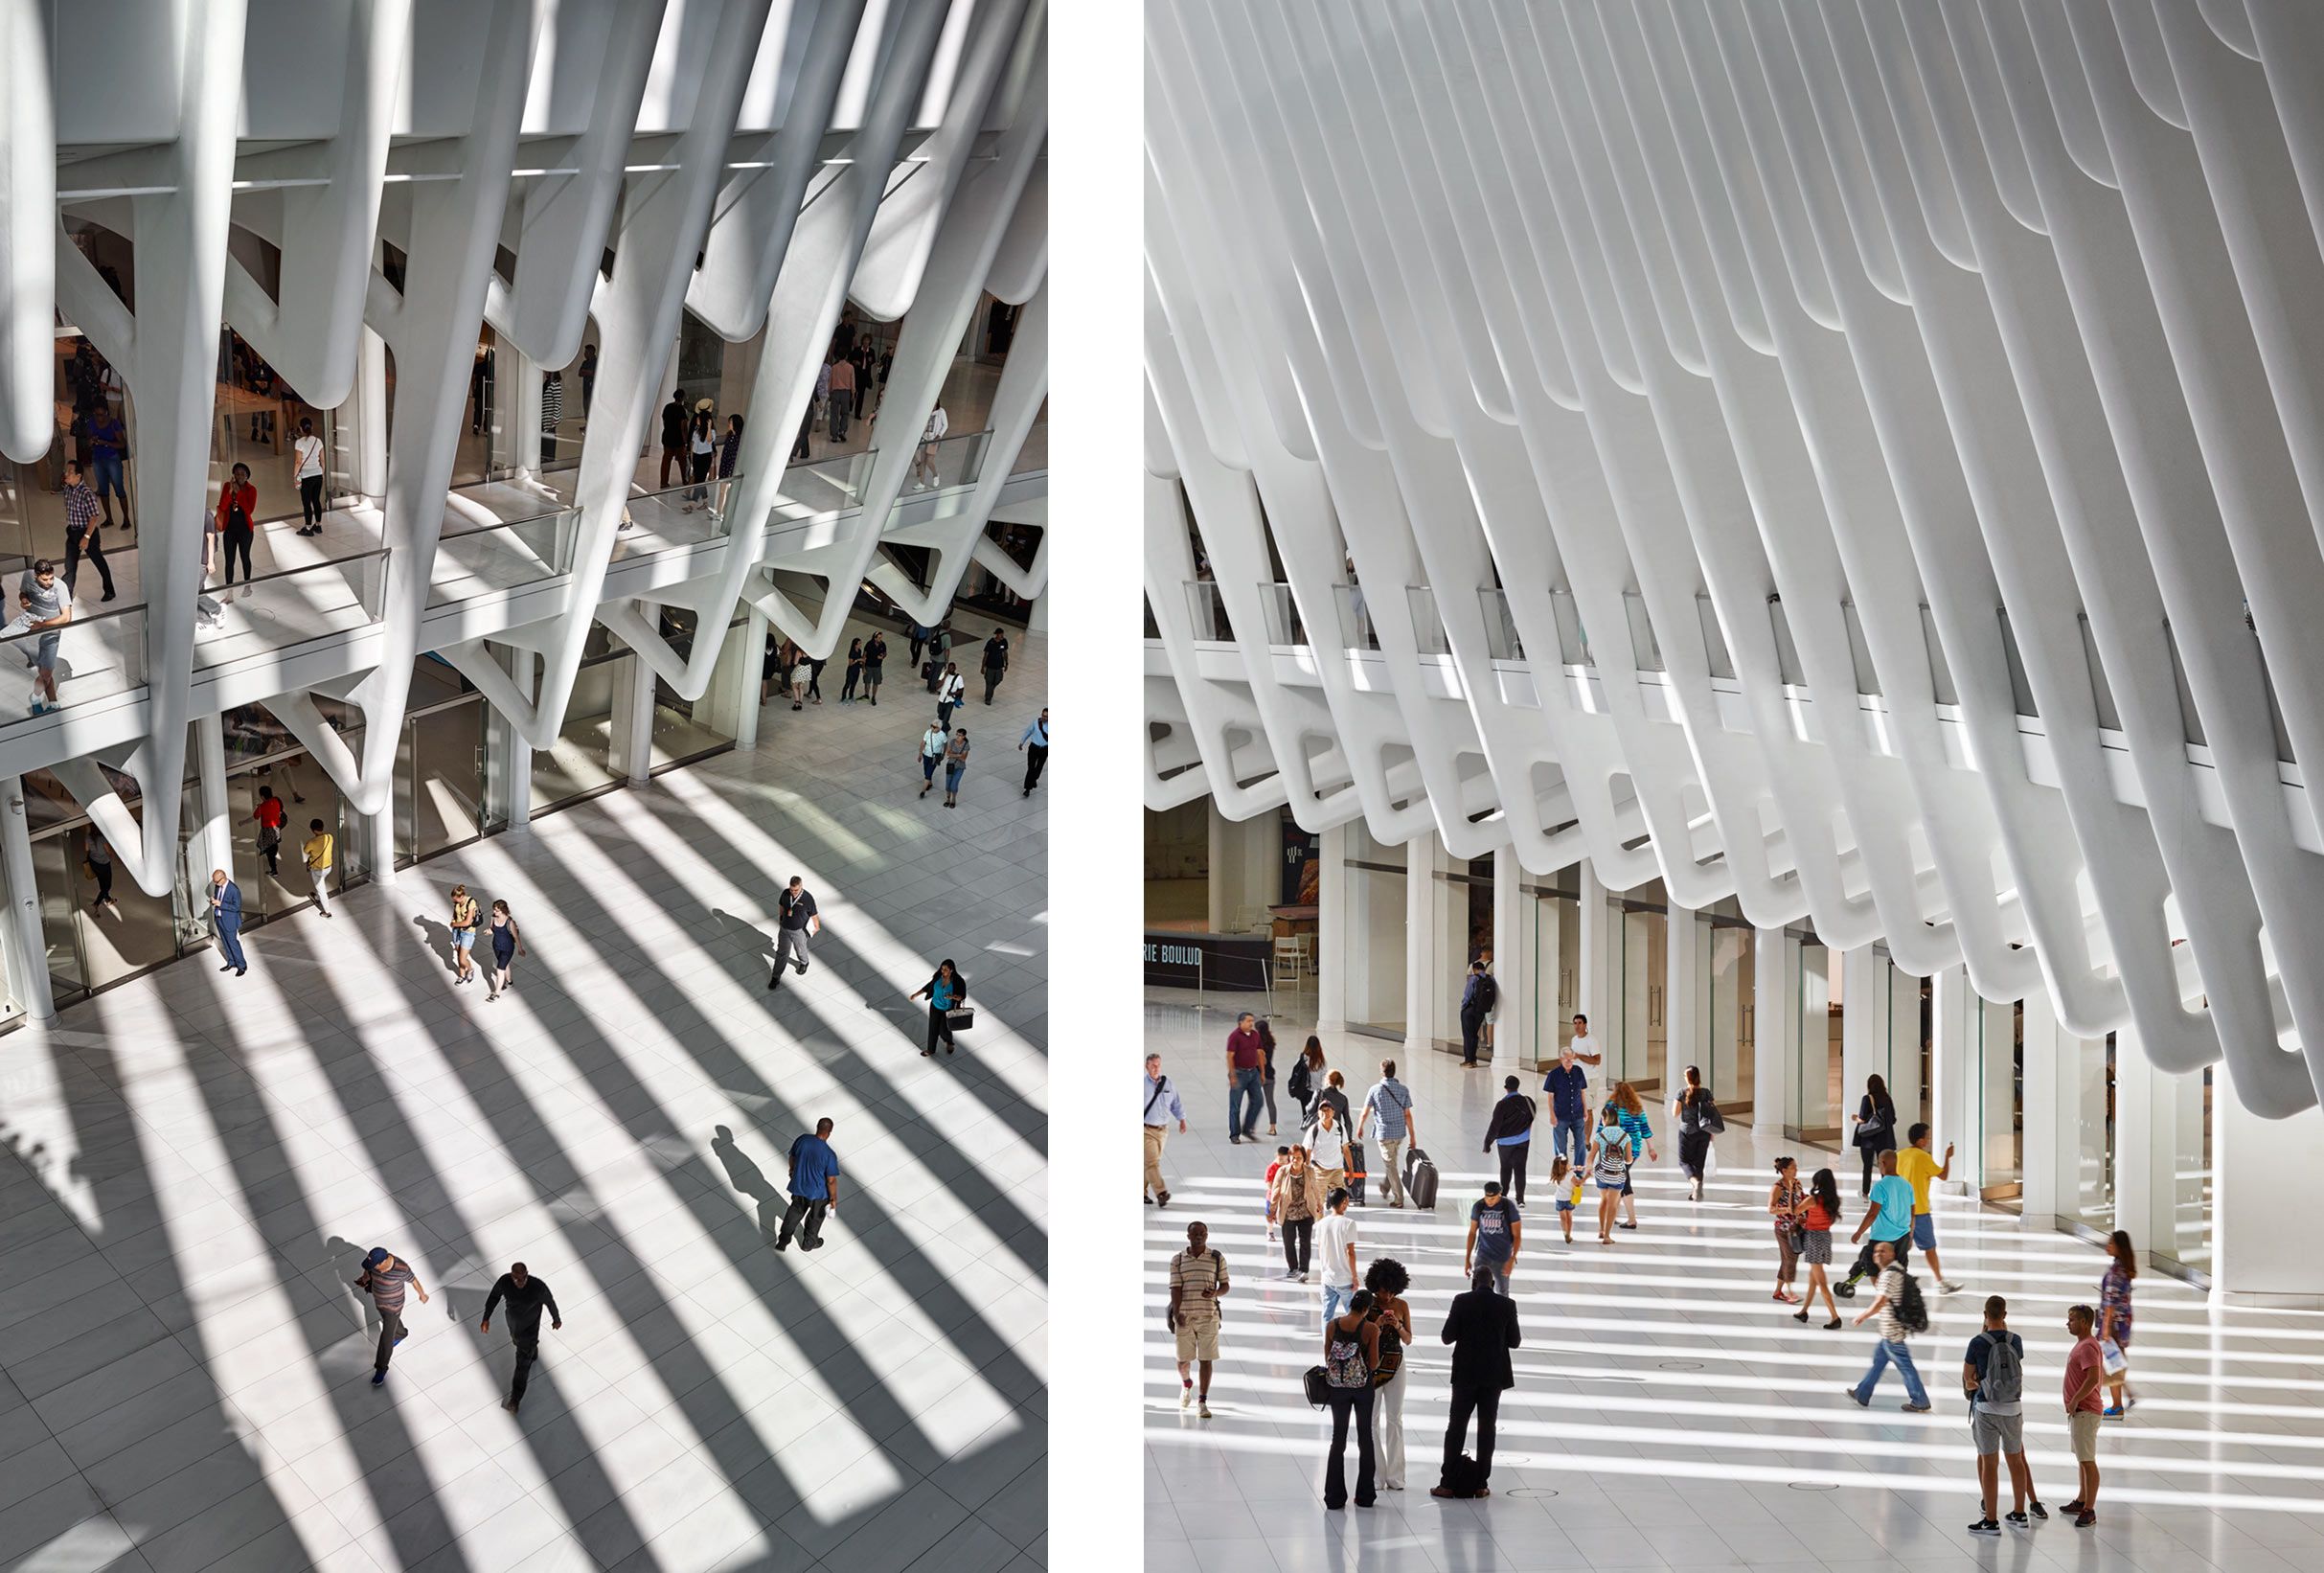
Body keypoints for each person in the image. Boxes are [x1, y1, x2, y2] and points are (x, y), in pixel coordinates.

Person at [1962, 1294, 2048, 1535]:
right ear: (2005, 1315)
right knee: (2015, 1459)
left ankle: (1991, 1519)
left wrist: (1975, 1382)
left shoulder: (1977, 1343)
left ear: (1985, 1315)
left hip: (1987, 1408)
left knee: (1990, 1462)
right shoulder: (2016, 1340)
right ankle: (2019, 1513)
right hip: (2013, 1408)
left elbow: (1968, 1380)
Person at [1433, 1266, 1521, 1498]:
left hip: (1465, 1374)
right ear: (1493, 1284)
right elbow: (1515, 1341)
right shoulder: (1507, 1305)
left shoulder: (1461, 1301)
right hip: (1494, 1375)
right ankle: (1481, 1484)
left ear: (1473, 1283)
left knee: (1456, 1427)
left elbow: (1446, 1337)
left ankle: (1448, 1483)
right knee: (1487, 1428)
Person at [1845, 1240, 1931, 1412]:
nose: (1878, 1254)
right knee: (1879, 1362)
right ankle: (1863, 1392)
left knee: (1906, 1367)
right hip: (1890, 1331)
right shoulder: (1896, 1269)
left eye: (1883, 1251)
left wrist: (1863, 1315)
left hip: (1892, 1332)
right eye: (1876, 1251)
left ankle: (1920, 1400)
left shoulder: (1889, 1274)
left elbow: (1881, 1301)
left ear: (1892, 1254)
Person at [1318, 1288, 1380, 1510]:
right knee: (1365, 1438)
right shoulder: (1371, 1329)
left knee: (1338, 1439)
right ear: (1367, 1309)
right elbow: (1373, 1364)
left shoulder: (1332, 1325)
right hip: (1363, 1389)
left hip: (1338, 1388)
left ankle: (1334, 1497)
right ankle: (1365, 1496)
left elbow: (1327, 1356)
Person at [478, 1263, 561, 1415]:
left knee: (522, 1366)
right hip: (514, 1326)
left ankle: (515, 1400)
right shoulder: (505, 1282)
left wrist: (556, 1319)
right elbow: (494, 1297)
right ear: (512, 1276)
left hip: (530, 1329)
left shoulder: (538, 1287)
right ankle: (533, 1350)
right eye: (516, 1279)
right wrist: (486, 1318)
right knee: (519, 1344)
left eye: (523, 1278)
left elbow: (550, 1302)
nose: (520, 1282)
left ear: (527, 1274)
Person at [1168, 1220, 1227, 1418]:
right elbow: (1175, 1288)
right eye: (1195, 1234)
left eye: (1202, 1233)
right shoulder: (1178, 1260)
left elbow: (1226, 1285)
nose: (1199, 1236)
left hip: (1208, 1316)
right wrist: (1177, 1313)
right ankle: (1186, 1384)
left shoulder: (1216, 1258)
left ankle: (1202, 1401)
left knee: (1206, 1359)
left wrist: (1216, 1292)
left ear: (1207, 1235)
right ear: (1188, 1237)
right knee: (1183, 1360)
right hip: (1185, 1316)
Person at [1896, 1123, 1963, 1292]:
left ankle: (1896, 1282)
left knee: (1901, 1248)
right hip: (1920, 1212)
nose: (1929, 1140)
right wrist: (1948, 1157)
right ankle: (1940, 1282)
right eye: (1928, 1137)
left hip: (1901, 1211)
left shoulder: (1900, 1155)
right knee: (1929, 1248)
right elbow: (1944, 1175)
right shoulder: (1923, 1157)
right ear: (1920, 1140)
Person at [1365, 1257, 1414, 1491]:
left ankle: (1396, 1476)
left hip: (1396, 1365)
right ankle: (1376, 1475)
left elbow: (1408, 1339)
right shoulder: (1366, 1304)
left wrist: (1397, 1325)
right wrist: (1377, 1322)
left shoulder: (1402, 1306)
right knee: (1372, 1421)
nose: (1387, 1297)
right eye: (1384, 1292)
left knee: (1395, 1419)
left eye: (1392, 1292)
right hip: (1372, 1366)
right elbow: (1360, 1334)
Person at [1839, 1150, 1916, 1295]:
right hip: (1903, 1236)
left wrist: (1859, 1232)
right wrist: (1911, 1236)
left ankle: (1887, 1298)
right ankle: (1899, 1294)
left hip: (1882, 1237)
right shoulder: (1907, 1186)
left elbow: (1872, 1214)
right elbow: (1913, 1214)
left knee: (1871, 1265)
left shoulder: (1880, 1186)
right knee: (1899, 1267)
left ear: (1883, 1164)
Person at [353, 1245, 430, 1386]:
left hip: (393, 1306)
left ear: (383, 1262)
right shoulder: (373, 1266)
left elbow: (414, 1281)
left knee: (386, 1338)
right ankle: (400, 1333)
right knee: (391, 1324)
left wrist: (422, 1295)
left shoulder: (401, 1268)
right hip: (379, 1302)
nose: (373, 1268)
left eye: (375, 1265)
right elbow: (368, 1271)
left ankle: (381, 1369)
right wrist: (364, 1280)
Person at [2061, 1304, 2106, 1527]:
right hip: (2080, 1412)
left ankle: (2090, 1508)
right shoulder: (2084, 1345)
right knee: (2082, 1458)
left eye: (2072, 1320)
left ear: (2085, 1323)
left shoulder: (2087, 1347)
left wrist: (2076, 1399)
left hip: (2086, 1411)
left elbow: (2093, 1377)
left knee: (2087, 1460)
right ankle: (2081, 1499)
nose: (2068, 1323)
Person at [14, 560, 72, 715]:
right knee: (45, 673)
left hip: (50, 636)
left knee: (45, 673)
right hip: (31, 633)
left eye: (51, 578)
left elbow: (66, 618)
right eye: (45, 580)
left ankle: (35, 698)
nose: (49, 582)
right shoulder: (28, 576)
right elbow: (23, 592)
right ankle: (53, 704)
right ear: (36, 576)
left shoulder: (60, 587)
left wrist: (42, 625)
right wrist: (23, 599)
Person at [1358, 1059, 1417, 1209]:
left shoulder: (1375, 1089)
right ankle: (1385, 1186)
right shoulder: (1403, 1090)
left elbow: (1365, 1112)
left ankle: (1399, 1199)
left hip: (1384, 1134)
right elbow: (1408, 1115)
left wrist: (1360, 1126)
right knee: (1391, 1163)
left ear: (1382, 1071)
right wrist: (1413, 1135)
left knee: (1391, 1165)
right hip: (1399, 1133)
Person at [1542, 1030, 1604, 1172]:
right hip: (1561, 1116)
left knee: (1580, 1143)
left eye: (1572, 1059)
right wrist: (1552, 1115)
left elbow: (1582, 1092)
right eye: (1567, 1060)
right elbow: (1550, 1097)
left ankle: (1579, 1167)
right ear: (1560, 1060)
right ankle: (1562, 1168)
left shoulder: (1578, 1071)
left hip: (1577, 1114)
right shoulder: (1553, 1075)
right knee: (1561, 1144)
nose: (1570, 1062)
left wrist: (1585, 1110)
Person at [1792, 1166, 1844, 1329]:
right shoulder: (1834, 1201)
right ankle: (1804, 1311)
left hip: (1813, 1238)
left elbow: (1796, 1210)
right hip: (1825, 1238)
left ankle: (1835, 1317)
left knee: (1821, 1281)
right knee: (1813, 1278)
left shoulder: (1812, 1200)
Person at [778, 1118, 841, 1250]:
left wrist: (792, 1170)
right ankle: (809, 1243)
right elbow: (831, 1180)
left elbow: (792, 1156)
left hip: (800, 1186)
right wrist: (833, 1199)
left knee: (794, 1212)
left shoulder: (803, 1140)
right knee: (815, 1218)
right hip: (819, 1193)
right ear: (829, 1132)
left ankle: (783, 1240)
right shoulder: (829, 1154)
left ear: (817, 1127)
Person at [59, 461, 115, 602]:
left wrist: (87, 537)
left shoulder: (87, 494)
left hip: (86, 532)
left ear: (78, 476)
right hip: (73, 531)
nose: (66, 474)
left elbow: (94, 517)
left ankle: (109, 590)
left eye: (70, 472)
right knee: (70, 565)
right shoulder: (67, 490)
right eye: (67, 471)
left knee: (98, 561)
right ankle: (67, 595)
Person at [1272, 1142, 1324, 1281]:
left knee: (1305, 1241)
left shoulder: (1309, 1171)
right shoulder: (1282, 1171)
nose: (1295, 1160)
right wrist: (1272, 1209)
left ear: (1304, 1158)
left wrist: (1319, 1203)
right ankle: (1293, 1267)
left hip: (1305, 1211)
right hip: (1288, 1212)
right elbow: (1275, 1191)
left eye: (1299, 1157)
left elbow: (1315, 1188)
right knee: (1288, 1242)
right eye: (1293, 1157)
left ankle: (1304, 1269)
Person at [2098, 1230, 2136, 1417]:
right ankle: (2127, 1394)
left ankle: (2117, 1405)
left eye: (2111, 1243)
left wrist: (2105, 1328)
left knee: (2113, 1363)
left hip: (2114, 1325)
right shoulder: (2124, 1269)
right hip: (2123, 1323)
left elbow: (2110, 1304)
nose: (2108, 1246)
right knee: (2117, 1360)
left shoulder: (2116, 1272)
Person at [1611, 1082, 1657, 1229]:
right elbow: (1645, 1130)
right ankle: (1614, 1214)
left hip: (1616, 1149)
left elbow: (1602, 1128)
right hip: (1634, 1149)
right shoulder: (1637, 1108)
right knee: (1621, 1177)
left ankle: (1632, 1219)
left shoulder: (1611, 1108)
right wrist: (1651, 1149)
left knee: (1623, 1182)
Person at [1143, 1053, 1187, 1207]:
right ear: (1146, 1066)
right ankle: (1161, 1192)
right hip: (1145, 1130)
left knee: (1150, 1163)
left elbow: (1176, 1102)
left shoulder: (1168, 1083)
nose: (1156, 1068)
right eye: (1153, 1065)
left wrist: (1181, 1120)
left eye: (1158, 1065)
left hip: (1163, 1131)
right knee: (1152, 1163)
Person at [1672, 1065, 1720, 1203]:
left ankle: (1695, 1183)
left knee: (1684, 1161)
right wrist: (1711, 1132)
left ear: (1688, 1078)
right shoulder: (1706, 1093)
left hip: (1687, 1131)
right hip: (1704, 1131)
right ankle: (1695, 1193)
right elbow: (1713, 1112)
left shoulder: (1681, 1092)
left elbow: (1675, 1113)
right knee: (1699, 1163)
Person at [1465, 1178, 1521, 1294]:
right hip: (1483, 1255)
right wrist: (1467, 1258)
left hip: (1502, 1257)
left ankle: (1502, 1312)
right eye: (1487, 1198)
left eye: (1493, 1199)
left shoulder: (1508, 1206)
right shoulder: (1478, 1207)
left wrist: (1512, 1258)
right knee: (1477, 1291)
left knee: (1502, 1291)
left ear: (1499, 1195)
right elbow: (1472, 1233)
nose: (1489, 1201)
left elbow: (1517, 1235)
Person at [1589, 1102, 1632, 1244]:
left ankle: (1601, 1230)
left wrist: (1587, 1169)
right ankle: (1607, 1236)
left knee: (1603, 1200)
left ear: (1604, 1119)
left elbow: (1591, 1157)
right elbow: (1628, 1159)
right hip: (1617, 1175)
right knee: (1613, 1205)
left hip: (1602, 1173)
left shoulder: (1600, 1135)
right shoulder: (1625, 1136)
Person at [1316, 1187, 1358, 1327]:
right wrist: (1354, 1277)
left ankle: (1326, 1345)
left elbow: (1321, 1248)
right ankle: (1354, 1346)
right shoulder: (1349, 1223)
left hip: (1327, 1278)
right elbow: (1350, 1253)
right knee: (1353, 1315)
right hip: (1345, 1278)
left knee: (1326, 1316)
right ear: (1344, 1202)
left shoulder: (1321, 1224)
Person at [1851, 1072, 1899, 1196]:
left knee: (1867, 1167)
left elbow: (1862, 1119)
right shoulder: (1887, 1099)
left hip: (1868, 1140)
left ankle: (1866, 1192)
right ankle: (1886, 1192)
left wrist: (1855, 1118)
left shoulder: (1867, 1098)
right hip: (1885, 1139)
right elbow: (1893, 1119)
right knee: (1885, 1167)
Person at [766, 876, 817, 991]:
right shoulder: (785, 893)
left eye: (796, 890)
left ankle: (804, 962)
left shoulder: (807, 898)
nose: (793, 892)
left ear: (801, 887)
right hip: (784, 929)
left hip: (799, 931)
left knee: (800, 949)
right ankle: (775, 977)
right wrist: (781, 918)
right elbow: (781, 905)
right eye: (791, 890)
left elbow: (814, 914)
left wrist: (816, 927)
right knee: (781, 953)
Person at [86, 403, 131, 530]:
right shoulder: (92, 422)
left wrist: (106, 443)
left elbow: (122, 444)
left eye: (101, 414)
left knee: (119, 489)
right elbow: (88, 440)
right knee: (103, 490)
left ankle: (126, 519)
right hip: (97, 459)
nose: (99, 418)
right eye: (96, 414)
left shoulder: (114, 423)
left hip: (112, 459)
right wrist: (91, 442)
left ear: (106, 412)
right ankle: (109, 519)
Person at [911, 959, 967, 1057]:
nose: (943, 971)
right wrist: (915, 995)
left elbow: (962, 996)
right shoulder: (938, 977)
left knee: (944, 1030)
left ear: (951, 970)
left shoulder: (958, 981)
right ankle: (930, 1049)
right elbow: (928, 987)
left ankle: (949, 1042)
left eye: (946, 969)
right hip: (935, 1007)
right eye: (942, 969)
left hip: (947, 1009)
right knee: (933, 1029)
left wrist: (952, 996)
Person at [216, 462, 257, 593]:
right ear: (233, 475)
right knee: (229, 561)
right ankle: (229, 590)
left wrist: (238, 494)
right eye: (237, 474)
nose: (240, 476)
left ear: (247, 476)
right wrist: (230, 493)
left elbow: (249, 510)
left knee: (245, 557)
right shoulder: (228, 486)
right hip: (230, 531)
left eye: (243, 474)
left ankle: (247, 585)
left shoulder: (251, 490)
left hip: (245, 530)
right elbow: (222, 506)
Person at [1768, 1157, 1805, 1306]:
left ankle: (1778, 1291)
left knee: (1787, 1259)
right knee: (1790, 1259)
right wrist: (1787, 1210)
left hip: (1796, 1227)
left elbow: (1801, 1201)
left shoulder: (1797, 1183)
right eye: (1793, 1167)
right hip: (1783, 1229)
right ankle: (1790, 1291)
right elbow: (1771, 1208)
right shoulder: (1777, 1187)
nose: (1796, 1170)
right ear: (1784, 1171)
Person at [1225, 1012, 1264, 1143]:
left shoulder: (1255, 1035)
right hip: (1239, 1073)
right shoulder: (1234, 1036)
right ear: (1240, 1023)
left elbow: (1259, 1053)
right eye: (1248, 1021)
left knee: (1258, 1101)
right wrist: (1232, 1075)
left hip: (1253, 1073)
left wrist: (1262, 1073)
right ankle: (1234, 1134)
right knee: (1235, 1105)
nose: (1251, 1023)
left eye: (1252, 1021)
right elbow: (1230, 1056)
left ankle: (1247, 1128)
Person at [209, 869, 247, 976]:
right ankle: (231, 962)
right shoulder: (218, 886)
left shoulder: (234, 890)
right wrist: (214, 901)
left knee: (233, 943)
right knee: (225, 943)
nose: (215, 884)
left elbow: (236, 907)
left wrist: (220, 904)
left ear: (223, 878)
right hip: (220, 919)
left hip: (229, 921)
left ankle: (242, 965)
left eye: (216, 881)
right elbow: (219, 898)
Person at [1458, 960, 1496, 1066]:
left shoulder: (1474, 979)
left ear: (1475, 969)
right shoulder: (1490, 979)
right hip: (1481, 1011)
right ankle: (1474, 1060)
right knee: (1474, 1035)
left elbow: (1467, 995)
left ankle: (1468, 1060)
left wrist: (1463, 1007)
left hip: (1470, 1010)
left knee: (1468, 1035)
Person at [293, 417, 327, 535]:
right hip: (317, 475)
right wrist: (321, 472)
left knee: (307, 503)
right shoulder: (318, 441)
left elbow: (298, 462)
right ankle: (318, 525)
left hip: (306, 477)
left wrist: (295, 477)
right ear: (312, 427)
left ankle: (307, 528)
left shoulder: (299, 443)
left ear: (301, 429)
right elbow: (322, 460)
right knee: (316, 500)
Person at [1309, 1102, 1350, 1197]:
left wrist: (1351, 1170)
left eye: (1328, 1110)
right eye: (1322, 1111)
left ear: (1333, 1113)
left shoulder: (1339, 1128)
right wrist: (1306, 1172)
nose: (1325, 1113)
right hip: (1320, 1170)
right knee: (1318, 1203)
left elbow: (1346, 1149)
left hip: (1337, 1170)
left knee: (1339, 1200)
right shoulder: (1314, 1129)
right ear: (1318, 1113)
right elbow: (1308, 1151)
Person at [485, 900, 524, 999]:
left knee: (500, 969)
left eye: (497, 910)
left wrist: (520, 949)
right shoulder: (493, 918)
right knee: (504, 965)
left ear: (502, 910)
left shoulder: (510, 922)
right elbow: (492, 929)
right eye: (494, 909)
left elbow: (516, 937)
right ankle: (509, 981)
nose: (494, 911)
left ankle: (496, 993)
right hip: (496, 946)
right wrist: (488, 931)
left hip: (507, 948)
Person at [1287, 1036, 1324, 1138]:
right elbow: (1324, 1076)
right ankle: (1316, 1132)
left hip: (1304, 1090)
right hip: (1317, 1091)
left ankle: (1308, 1131)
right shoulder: (1321, 1061)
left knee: (1306, 1111)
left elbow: (1295, 1071)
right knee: (1317, 1112)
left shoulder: (1302, 1057)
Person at [447, 885, 480, 987]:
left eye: (456, 900)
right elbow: (455, 914)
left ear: (461, 896)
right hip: (457, 931)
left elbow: (467, 922)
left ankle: (470, 969)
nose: (455, 902)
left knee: (462, 958)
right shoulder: (457, 902)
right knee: (458, 954)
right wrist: (453, 920)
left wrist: (453, 924)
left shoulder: (471, 903)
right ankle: (461, 976)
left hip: (468, 933)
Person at [684, 406, 716, 510]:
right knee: (700, 481)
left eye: (699, 418)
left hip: (705, 458)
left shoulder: (712, 432)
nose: (697, 420)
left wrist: (709, 426)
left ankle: (692, 504)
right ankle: (705, 502)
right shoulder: (696, 430)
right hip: (697, 457)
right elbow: (693, 444)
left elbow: (709, 440)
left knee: (699, 480)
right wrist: (692, 458)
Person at [302, 818, 334, 919]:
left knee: (321, 890)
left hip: (317, 870)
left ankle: (327, 912)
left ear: (313, 830)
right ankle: (316, 896)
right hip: (328, 867)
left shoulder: (311, 842)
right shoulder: (329, 837)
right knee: (321, 883)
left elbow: (306, 851)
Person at [1255, 1017, 1281, 1135]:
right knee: (1270, 1102)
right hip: (1270, 1075)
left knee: (1254, 1102)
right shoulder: (1271, 1042)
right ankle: (1273, 1127)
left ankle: (1251, 1126)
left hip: (1257, 1075)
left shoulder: (1256, 1044)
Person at [253, 785, 286, 877]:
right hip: (276, 827)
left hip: (267, 830)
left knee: (269, 848)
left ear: (262, 796)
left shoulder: (262, 807)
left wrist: (261, 807)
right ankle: (273, 853)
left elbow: (255, 816)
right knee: (274, 844)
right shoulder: (276, 800)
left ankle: (274, 870)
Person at [913, 403, 948, 490]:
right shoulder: (926, 410)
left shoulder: (941, 412)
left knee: (929, 461)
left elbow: (945, 425)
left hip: (934, 440)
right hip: (924, 438)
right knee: (923, 461)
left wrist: (939, 435)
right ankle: (921, 482)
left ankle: (935, 475)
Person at [1548, 1156, 1583, 1242]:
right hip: (1569, 1199)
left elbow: (1567, 1169)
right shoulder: (1570, 1174)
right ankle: (1569, 1234)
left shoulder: (1555, 1174)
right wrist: (1586, 1176)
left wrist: (1574, 1168)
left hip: (1559, 1199)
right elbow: (1578, 1183)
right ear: (1566, 1165)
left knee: (1563, 1218)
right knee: (1569, 1217)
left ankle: (1565, 1234)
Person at [659, 389, 688, 489]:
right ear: (682, 398)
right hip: (678, 439)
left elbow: (664, 420)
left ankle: (663, 482)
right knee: (682, 461)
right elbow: (683, 427)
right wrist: (686, 441)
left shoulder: (667, 407)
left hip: (667, 436)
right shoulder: (682, 410)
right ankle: (685, 479)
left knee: (666, 460)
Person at [718, 413, 744, 517]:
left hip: (730, 467)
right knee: (722, 491)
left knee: (724, 491)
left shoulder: (739, 439)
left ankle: (721, 512)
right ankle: (720, 511)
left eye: (730, 423)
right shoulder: (730, 435)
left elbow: (735, 456)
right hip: (725, 465)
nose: (729, 424)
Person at [1018, 708, 1048, 795]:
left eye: (1046, 716)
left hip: (1044, 749)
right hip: (1034, 748)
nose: (1044, 717)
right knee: (1031, 768)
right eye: (1043, 715)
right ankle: (1027, 788)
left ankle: (1034, 778)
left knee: (1039, 768)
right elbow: (1028, 732)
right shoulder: (1036, 723)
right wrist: (1022, 742)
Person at [85, 828, 116, 911]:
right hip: (104, 863)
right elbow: (109, 852)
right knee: (108, 885)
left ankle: (107, 898)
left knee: (101, 881)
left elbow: (87, 849)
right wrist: (111, 857)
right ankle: (97, 903)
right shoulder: (102, 839)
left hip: (94, 862)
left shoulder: (88, 837)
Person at [918, 718, 948, 799]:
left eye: (934, 727)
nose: (932, 728)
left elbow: (945, 744)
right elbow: (923, 743)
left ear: (939, 728)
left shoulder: (942, 735)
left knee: (928, 773)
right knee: (926, 770)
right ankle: (929, 783)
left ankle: (923, 791)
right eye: (931, 726)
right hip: (926, 754)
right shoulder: (928, 732)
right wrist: (920, 754)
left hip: (935, 757)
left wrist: (943, 754)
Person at [827, 353, 854, 441]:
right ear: (846, 356)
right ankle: (842, 431)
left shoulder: (834, 367)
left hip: (835, 392)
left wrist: (829, 392)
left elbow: (830, 381)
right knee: (845, 413)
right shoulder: (850, 367)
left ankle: (834, 435)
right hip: (846, 393)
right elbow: (852, 381)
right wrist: (853, 393)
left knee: (834, 414)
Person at [538, 368, 562, 465]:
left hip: (549, 417)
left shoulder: (555, 384)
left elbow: (558, 402)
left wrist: (555, 417)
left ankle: (549, 459)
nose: (544, 372)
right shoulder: (548, 382)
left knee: (549, 438)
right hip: (545, 416)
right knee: (545, 438)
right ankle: (545, 457)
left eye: (546, 370)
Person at [941, 728, 970, 808]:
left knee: (954, 785)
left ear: (964, 736)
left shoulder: (966, 745)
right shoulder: (952, 741)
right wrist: (958, 755)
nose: (957, 736)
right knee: (947, 785)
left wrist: (953, 754)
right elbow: (948, 753)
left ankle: (953, 799)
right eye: (957, 734)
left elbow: (963, 758)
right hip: (950, 765)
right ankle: (948, 799)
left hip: (960, 767)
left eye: (960, 735)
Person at [981, 627, 1009, 704]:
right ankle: (988, 698)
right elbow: (986, 655)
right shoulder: (990, 642)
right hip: (990, 666)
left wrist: (1006, 663)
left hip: (999, 666)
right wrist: (983, 667)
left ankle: (990, 690)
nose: (1002, 636)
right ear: (997, 634)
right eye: (1001, 634)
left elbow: (1005, 653)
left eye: (1003, 634)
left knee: (998, 679)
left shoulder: (1004, 641)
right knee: (989, 682)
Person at [936, 663, 966, 727]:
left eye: (952, 668)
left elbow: (961, 690)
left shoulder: (958, 678)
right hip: (942, 699)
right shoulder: (944, 674)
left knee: (946, 717)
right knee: (940, 714)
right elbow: (937, 686)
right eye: (949, 668)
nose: (950, 670)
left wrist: (952, 693)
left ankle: (944, 730)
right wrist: (945, 677)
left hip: (950, 701)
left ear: (955, 668)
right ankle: (947, 727)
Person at [862, 630, 886, 705]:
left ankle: (873, 697)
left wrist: (883, 656)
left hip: (878, 667)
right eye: (879, 638)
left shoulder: (883, 644)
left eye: (881, 638)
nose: (880, 639)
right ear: (875, 638)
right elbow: (864, 656)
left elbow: (885, 653)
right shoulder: (869, 645)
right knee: (867, 682)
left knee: (876, 682)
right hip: (869, 666)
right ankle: (866, 694)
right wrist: (863, 667)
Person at [840, 638, 865, 704]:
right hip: (851, 670)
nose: (860, 645)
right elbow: (850, 663)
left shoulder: (859, 651)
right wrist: (858, 660)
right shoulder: (852, 652)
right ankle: (843, 698)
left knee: (854, 684)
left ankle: (851, 696)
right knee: (848, 684)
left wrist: (861, 662)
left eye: (860, 643)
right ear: (855, 645)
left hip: (857, 670)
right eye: (859, 643)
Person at [578, 342, 597, 414]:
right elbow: (580, 373)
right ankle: (587, 422)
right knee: (586, 406)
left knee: (591, 407)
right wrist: (588, 372)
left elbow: (594, 373)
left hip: (593, 390)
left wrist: (585, 371)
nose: (585, 353)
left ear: (591, 352)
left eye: (586, 352)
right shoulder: (585, 363)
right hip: (585, 389)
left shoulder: (597, 362)